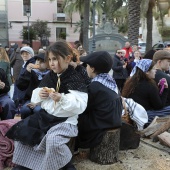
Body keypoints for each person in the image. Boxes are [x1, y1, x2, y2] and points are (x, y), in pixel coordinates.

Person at [6, 40, 88, 170]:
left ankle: (63, 166)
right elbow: (36, 93)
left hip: (65, 121)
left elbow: (80, 104)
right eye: (49, 59)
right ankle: (25, 165)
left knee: (53, 141)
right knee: (23, 131)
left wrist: (61, 98)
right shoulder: (50, 76)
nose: (51, 63)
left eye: (55, 59)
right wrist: (41, 95)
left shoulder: (75, 77)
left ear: (67, 58)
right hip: (45, 116)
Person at [77, 51, 122, 149]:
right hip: (112, 120)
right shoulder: (109, 80)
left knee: (74, 118)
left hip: (102, 125)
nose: (86, 68)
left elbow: (84, 108)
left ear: (92, 69)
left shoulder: (95, 86)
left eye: (87, 65)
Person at [122, 59, 170, 124]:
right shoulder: (150, 85)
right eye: (153, 69)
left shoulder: (130, 82)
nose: (155, 71)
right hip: (144, 115)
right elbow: (159, 106)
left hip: (131, 114)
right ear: (147, 71)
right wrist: (165, 90)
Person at [16, 53, 50, 119]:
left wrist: (37, 103)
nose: (38, 63)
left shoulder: (50, 75)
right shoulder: (31, 72)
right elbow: (20, 86)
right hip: (30, 99)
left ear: (48, 64)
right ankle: (24, 126)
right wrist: (27, 72)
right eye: (37, 60)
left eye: (42, 61)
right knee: (25, 110)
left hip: (44, 101)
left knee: (38, 110)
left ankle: (39, 127)